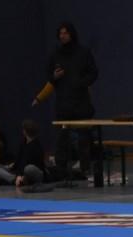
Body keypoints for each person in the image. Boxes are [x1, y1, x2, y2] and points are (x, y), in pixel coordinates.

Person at [38, 22, 97, 175]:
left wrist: (82, 83)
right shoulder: (55, 54)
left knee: (83, 137)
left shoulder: (83, 52)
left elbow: (93, 73)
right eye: (60, 33)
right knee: (61, 137)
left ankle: (84, 168)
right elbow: (49, 76)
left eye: (65, 33)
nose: (63, 36)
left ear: (72, 34)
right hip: (63, 101)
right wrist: (54, 76)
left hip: (81, 101)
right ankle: (60, 169)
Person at [0, 119, 47, 187]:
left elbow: (34, 165)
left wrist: (20, 175)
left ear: (24, 131)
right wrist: (12, 166)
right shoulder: (23, 143)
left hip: (30, 172)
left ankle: (17, 180)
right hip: (18, 171)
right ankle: (14, 180)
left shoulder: (37, 147)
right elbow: (19, 160)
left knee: (29, 168)